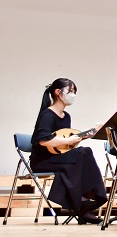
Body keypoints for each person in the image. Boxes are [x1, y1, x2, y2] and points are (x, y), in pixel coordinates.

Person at [30, 78, 107, 224]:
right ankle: (83, 204)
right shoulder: (47, 115)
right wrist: (68, 141)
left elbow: (64, 145)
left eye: (74, 92)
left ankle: (84, 202)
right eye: (70, 91)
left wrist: (89, 134)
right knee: (83, 153)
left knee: (84, 152)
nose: (73, 95)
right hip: (43, 161)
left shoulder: (66, 117)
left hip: (58, 158)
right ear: (58, 93)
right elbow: (43, 140)